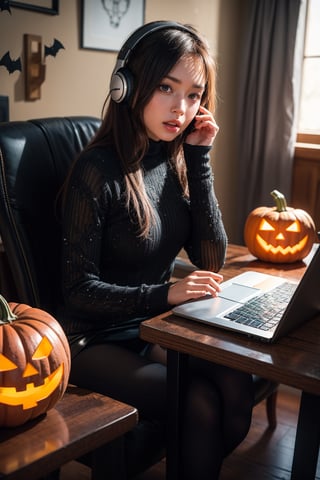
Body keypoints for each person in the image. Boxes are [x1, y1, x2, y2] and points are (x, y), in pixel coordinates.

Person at [59, 20, 254, 479]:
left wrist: (201, 157)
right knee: (197, 400)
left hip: (153, 329)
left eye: (193, 95)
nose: (181, 108)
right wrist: (164, 295)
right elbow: (77, 290)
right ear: (128, 86)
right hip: (92, 339)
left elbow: (210, 258)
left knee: (235, 382)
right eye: (167, 87)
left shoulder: (175, 157)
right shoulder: (96, 170)